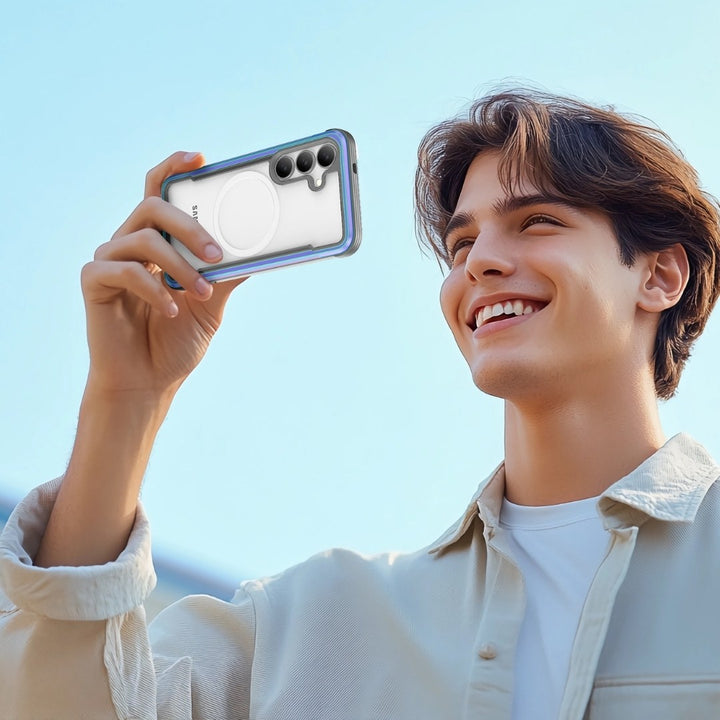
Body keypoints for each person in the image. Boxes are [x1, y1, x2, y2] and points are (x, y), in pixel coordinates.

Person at [1, 87, 719, 720]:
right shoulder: (317, 621)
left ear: (660, 275)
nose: (478, 263)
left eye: (536, 223)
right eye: (461, 241)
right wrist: (127, 396)